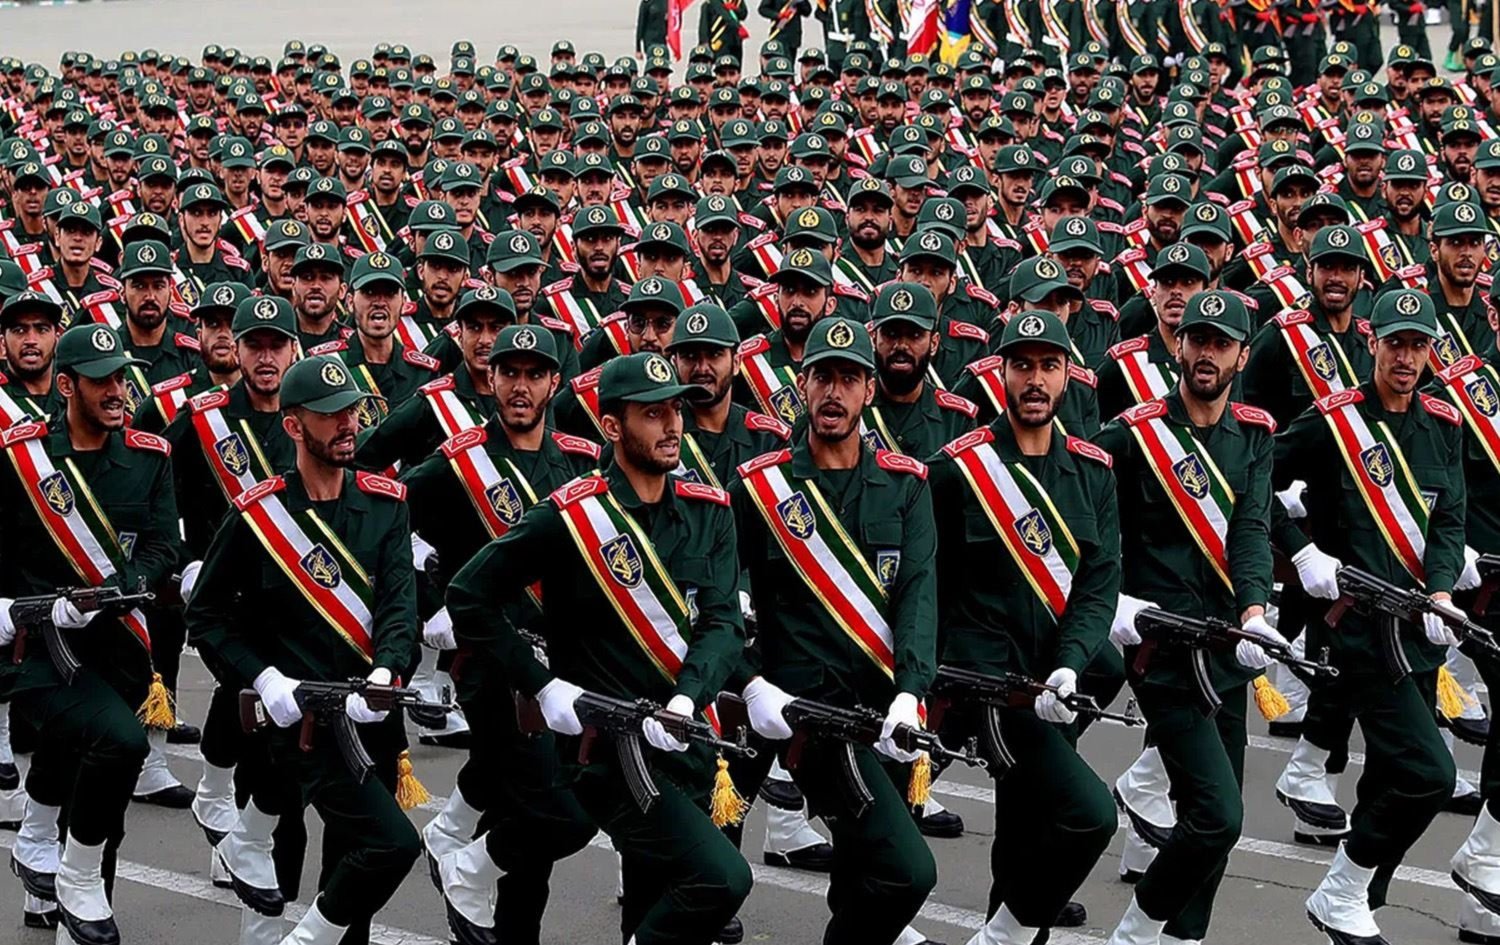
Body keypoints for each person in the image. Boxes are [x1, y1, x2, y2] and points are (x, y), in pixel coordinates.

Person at [447, 351, 752, 945]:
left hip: (683, 742)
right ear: (611, 426)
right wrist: (542, 686)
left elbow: (722, 624)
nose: (672, 426)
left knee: (652, 903)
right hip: (605, 752)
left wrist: (687, 699)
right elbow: (469, 595)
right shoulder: (571, 517)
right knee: (721, 879)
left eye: (676, 411)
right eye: (652, 414)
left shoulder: (708, 511)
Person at [186, 354, 423, 945]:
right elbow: (207, 617)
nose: (347, 425)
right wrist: (263, 678)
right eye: (329, 414)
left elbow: (400, 606)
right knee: (280, 864)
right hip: (289, 722)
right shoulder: (259, 515)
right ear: (293, 425)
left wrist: (388, 670)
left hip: (364, 715)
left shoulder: (387, 504)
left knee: (359, 867)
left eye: (352, 412)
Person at [728, 316, 939, 944]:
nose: (834, 393)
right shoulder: (761, 487)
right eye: (823, 377)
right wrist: (751, 682)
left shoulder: (905, 484)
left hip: (884, 709)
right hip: (806, 714)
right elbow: (714, 604)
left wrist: (911, 690)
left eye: (849, 379)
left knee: (862, 874)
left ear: (869, 390)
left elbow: (918, 594)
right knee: (908, 871)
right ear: (803, 384)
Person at [1273, 287, 1463, 944]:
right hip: (1356, 627)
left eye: (1418, 346)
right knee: (1429, 774)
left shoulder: (1442, 423)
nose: (1406, 358)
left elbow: (1449, 520)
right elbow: (1253, 481)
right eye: (1395, 344)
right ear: (1373, 343)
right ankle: (1341, 891)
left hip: (1417, 628)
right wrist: (1301, 550)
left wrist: (1443, 591)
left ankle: (1358, 903)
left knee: (1386, 777)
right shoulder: (1333, 420)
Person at [1094, 289, 1284, 944]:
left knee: (1217, 821)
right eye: (1197, 339)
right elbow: (1087, 527)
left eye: (1221, 344)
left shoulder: (1254, 434)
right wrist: (1113, 596)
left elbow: (1251, 530)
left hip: (1225, 650)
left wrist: (1255, 611)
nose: (1207, 353)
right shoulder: (1132, 434)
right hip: (1161, 650)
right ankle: (1136, 932)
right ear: (1177, 344)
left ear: (1242, 356)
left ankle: (1182, 936)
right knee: (1217, 813)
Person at [402, 325, 600, 945]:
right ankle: (466, 869)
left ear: (554, 382)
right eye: (509, 372)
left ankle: (485, 899)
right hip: (490, 662)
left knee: (527, 824)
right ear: (490, 379)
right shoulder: (458, 462)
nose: (520, 386)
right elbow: (386, 520)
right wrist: (431, 600)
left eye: (534, 374)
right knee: (561, 814)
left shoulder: (579, 460)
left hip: (564, 665)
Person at [929, 308, 1120, 945]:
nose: (1035, 380)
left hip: (1051, 683)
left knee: (1027, 824)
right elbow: (925, 583)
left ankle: (1006, 925)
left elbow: (1098, 586)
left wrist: (1069, 663)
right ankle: (1003, 933)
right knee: (1088, 813)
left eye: (1048, 366)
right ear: (1001, 374)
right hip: (983, 687)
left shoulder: (1092, 472)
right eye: (1022, 366)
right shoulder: (958, 470)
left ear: (1068, 376)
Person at [0, 320, 181, 945]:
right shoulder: (21, 459)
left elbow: (163, 545)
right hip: (35, 650)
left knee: (92, 778)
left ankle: (58, 887)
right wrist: (26, 608)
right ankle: (69, 872)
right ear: (66, 386)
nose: (116, 391)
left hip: (116, 642)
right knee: (122, 743)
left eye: (121, 379)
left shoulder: (149, 456)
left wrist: (121, 585)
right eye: (100, 381)